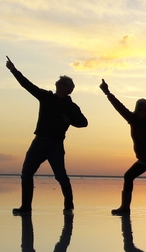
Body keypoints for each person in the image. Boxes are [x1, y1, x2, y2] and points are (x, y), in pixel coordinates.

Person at [5, 56, 87, 215]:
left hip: (55, 145)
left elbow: (83, 122)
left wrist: (69, 120)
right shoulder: (46, 97)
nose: (59, 86)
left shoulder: (71, 107)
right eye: (58, 84)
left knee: (61, 176)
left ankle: (69, 205)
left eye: (62, 85)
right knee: (26, 173)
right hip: (38, 142)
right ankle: (25, 207)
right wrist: (14, 70)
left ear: (69, 89)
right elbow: (27, 85)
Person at [100, 80, 146, 215]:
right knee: (129, 176)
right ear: (136, 109)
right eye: (139, 109)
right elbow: (119, 107)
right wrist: (107, 93)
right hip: (143, 158)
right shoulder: (132, 119)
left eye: (144, 109)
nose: (141, 111)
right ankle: (125, 208)